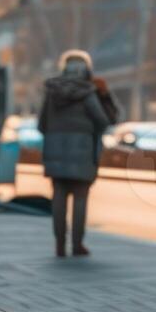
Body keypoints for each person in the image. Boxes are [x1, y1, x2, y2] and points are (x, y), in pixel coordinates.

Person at [36, 50, 117, 257]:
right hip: (82, 152)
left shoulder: (52, 92)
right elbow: (104, 120)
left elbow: (41, 124)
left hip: (54, 152)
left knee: (59, 198)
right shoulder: (88, 93)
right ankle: (77, 244)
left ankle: (59, 245)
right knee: (80, 198)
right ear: (87, 70)